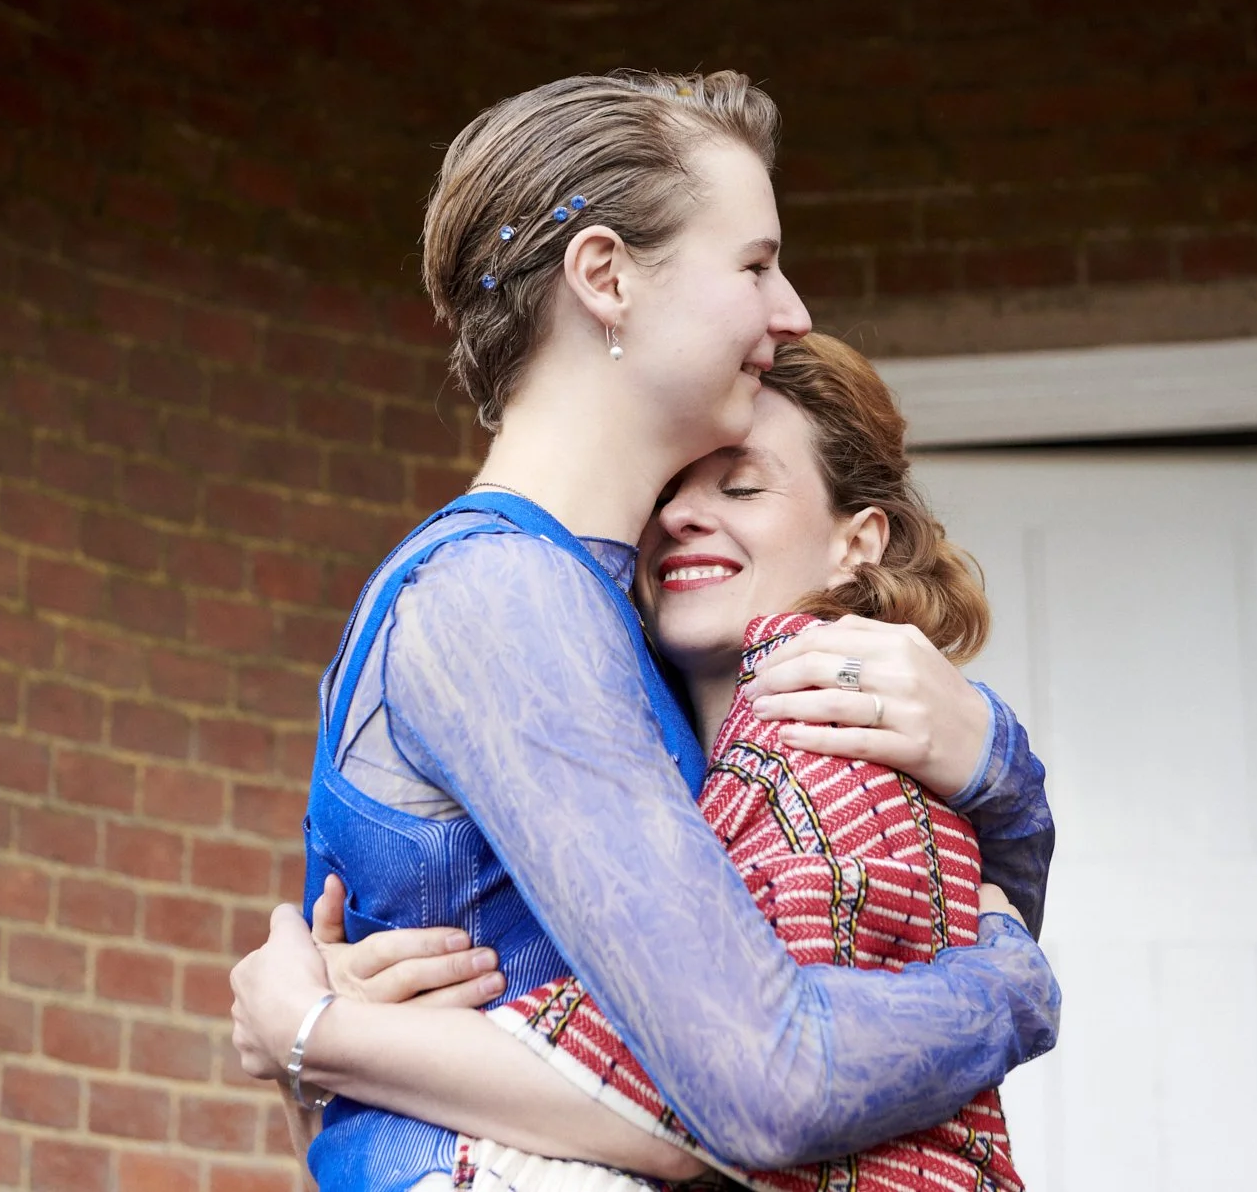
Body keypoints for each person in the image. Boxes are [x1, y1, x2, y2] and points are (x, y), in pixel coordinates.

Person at [229, 71, 1059, 1189]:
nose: (790, 311)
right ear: (606, 276)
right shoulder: (501, 597)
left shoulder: (632, 625)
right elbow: (761, 1085)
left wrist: (993, 764)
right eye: (754, 266)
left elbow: (884, 927)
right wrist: (1008, 992)